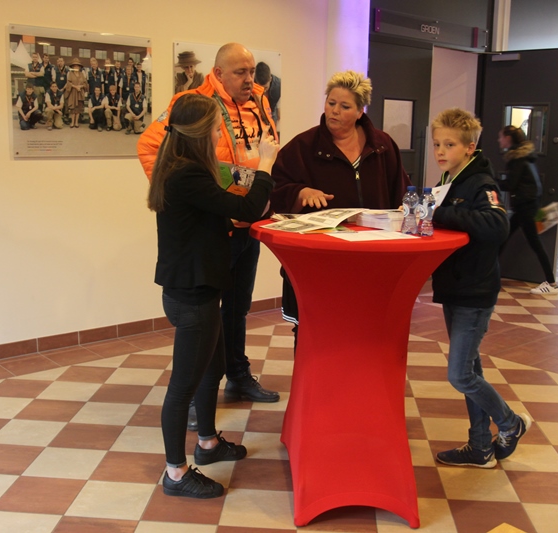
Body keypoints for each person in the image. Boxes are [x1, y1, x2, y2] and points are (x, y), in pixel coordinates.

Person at [138, 43, 282, 430]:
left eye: (251, 70)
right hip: (219, 224)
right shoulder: (194, 104)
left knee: (236, 308)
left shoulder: (261, 100)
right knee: (202, 320)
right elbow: (149, 147)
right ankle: (192, 399)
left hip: (247, 221)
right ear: (218, 73)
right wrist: (188, 196)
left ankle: (237, 375)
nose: (249, 79)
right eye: (239, 72)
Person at [147, 93, 278, 498]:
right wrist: (266, 163)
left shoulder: (187, 167)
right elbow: (250, 208)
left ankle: (207, 443)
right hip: (192, 294)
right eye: (218, 129)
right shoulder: (186, 174)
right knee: (183, 386)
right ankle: (175, 473)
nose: (223, 134)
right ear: (202, 132)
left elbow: (230, 193)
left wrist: (249, 175)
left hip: (199, 287)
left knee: (213, 367)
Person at [270, 71, 411, 339]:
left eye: (344, 106)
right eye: (331, 102)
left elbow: (401, 191)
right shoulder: (303, 146)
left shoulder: (383, 146)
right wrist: (300, 192)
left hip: (371, 259)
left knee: (365, 329)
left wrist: (405, 210)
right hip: (319, 263)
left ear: (359, 111)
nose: (334, 111)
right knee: (314, 331)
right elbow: (276, 186)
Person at [429, 108, 531, 468]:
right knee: (471, 370)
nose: (441, 151)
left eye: (449, 144)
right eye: (437, 144)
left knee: (460, 375)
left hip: (474, 291)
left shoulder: (481, 183)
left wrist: (439, 213)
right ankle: (480, 446)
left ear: (469, 147)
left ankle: (510, 422)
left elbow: (496, 226)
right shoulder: (450, 178)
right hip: (456, 287)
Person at [498, 125, 558, 295]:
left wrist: (492, 181)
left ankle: (551, 283)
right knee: (503, 237)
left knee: (534, 243)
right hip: (525, 207)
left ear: (508, 138)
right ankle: (488, 273)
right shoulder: (525, 157)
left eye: (501, 137)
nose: (499, 140)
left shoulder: (518, 159)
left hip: (525, 208)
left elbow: (511, 184)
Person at [64, 58, 86, 128]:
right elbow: (68, 83)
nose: (76, 67)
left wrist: (80, 86)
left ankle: (76, 122)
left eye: (77, 66)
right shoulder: (70, 74)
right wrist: (75, 87)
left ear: (79, 67)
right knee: (73, 108)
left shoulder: (82, 74)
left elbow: (85, 83)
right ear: (73, 67)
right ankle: (72, 122)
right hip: (73, 92)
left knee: (78, 108)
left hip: (80, 93)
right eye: (75, 66)